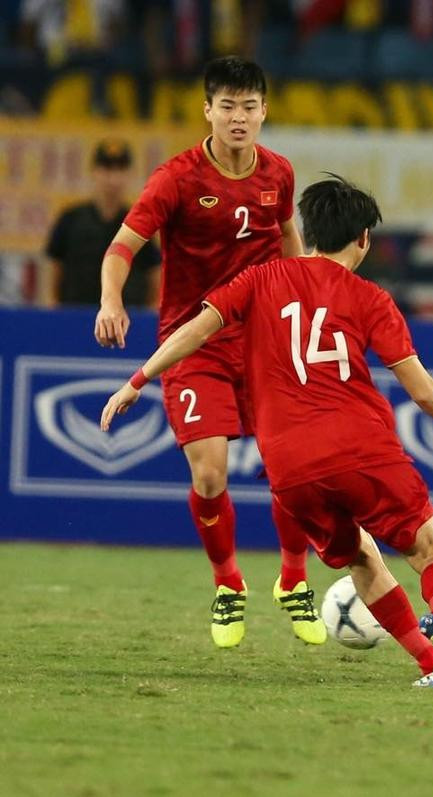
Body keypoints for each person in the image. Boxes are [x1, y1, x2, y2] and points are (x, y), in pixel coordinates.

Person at [100, 175, 433, 687]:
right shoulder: (371, 299)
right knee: (431, 549)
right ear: (363, 238)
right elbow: (424, 391)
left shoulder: (258, 280)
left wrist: (138, 379)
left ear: (310, 231)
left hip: (290, 468)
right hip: (362, 449)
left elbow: (193, 330)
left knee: (361, 556)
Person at [93, 56, 318, 649]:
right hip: (193, 342)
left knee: (296, 472)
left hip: (267, 340)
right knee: (212, 475)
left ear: (265, 111)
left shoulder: (279, 174)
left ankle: (294, 578)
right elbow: (122, 246)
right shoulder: (177, 179)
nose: (239, 118)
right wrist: (111, 302)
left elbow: (287, 237)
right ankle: (228, 583)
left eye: (249, 107)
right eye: (227, 107)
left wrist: (306, 297)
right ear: (207, 111)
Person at [45, 139, 161, 308]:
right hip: (74, 315)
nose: (113, 178)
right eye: (106, 169)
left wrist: (148, 312)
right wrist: (55, 306)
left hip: (126, 318)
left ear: (129, 174)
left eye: (120, 169)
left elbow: (153, 273)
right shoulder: (70, 219)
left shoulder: (141, 222)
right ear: (94, 172)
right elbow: (55, 268)